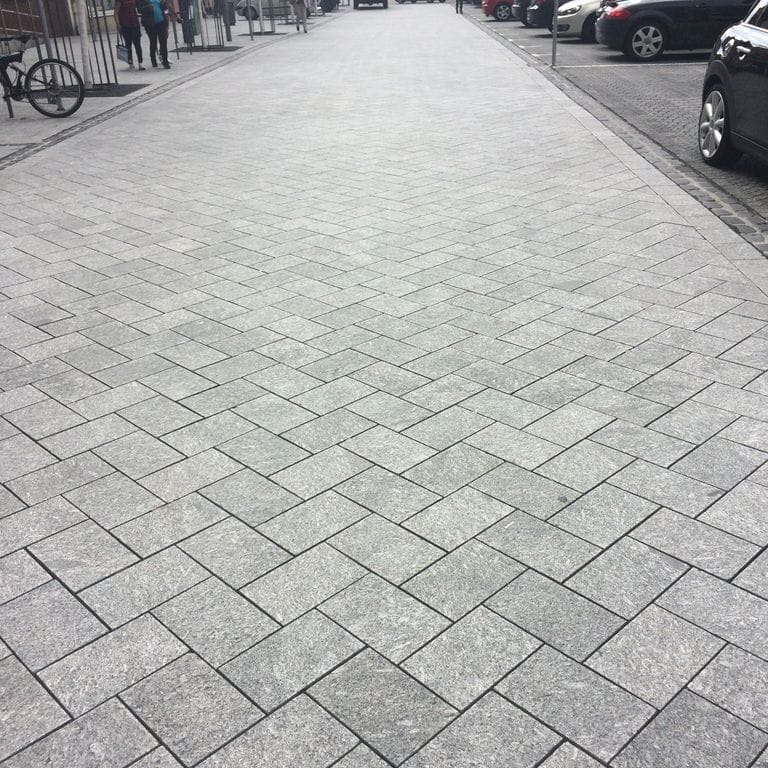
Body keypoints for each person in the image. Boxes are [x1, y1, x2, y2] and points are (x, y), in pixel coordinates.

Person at [137, 0, 171, 68]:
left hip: (161, 22)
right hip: (150, 24)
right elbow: (139, 10)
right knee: (153, 42)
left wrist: (164, 4)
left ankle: (165, 62)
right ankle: (153, 60)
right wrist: (147, 7)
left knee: (163, 42)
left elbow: (165, 8)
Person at [114, 0, 145, 70]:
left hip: (135, 24)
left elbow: (138, 8)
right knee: (128, 45)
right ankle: (130, 62)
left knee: (138, 45)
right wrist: (118, 24)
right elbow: (115, 12)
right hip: (125, 25)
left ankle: (140, 63)